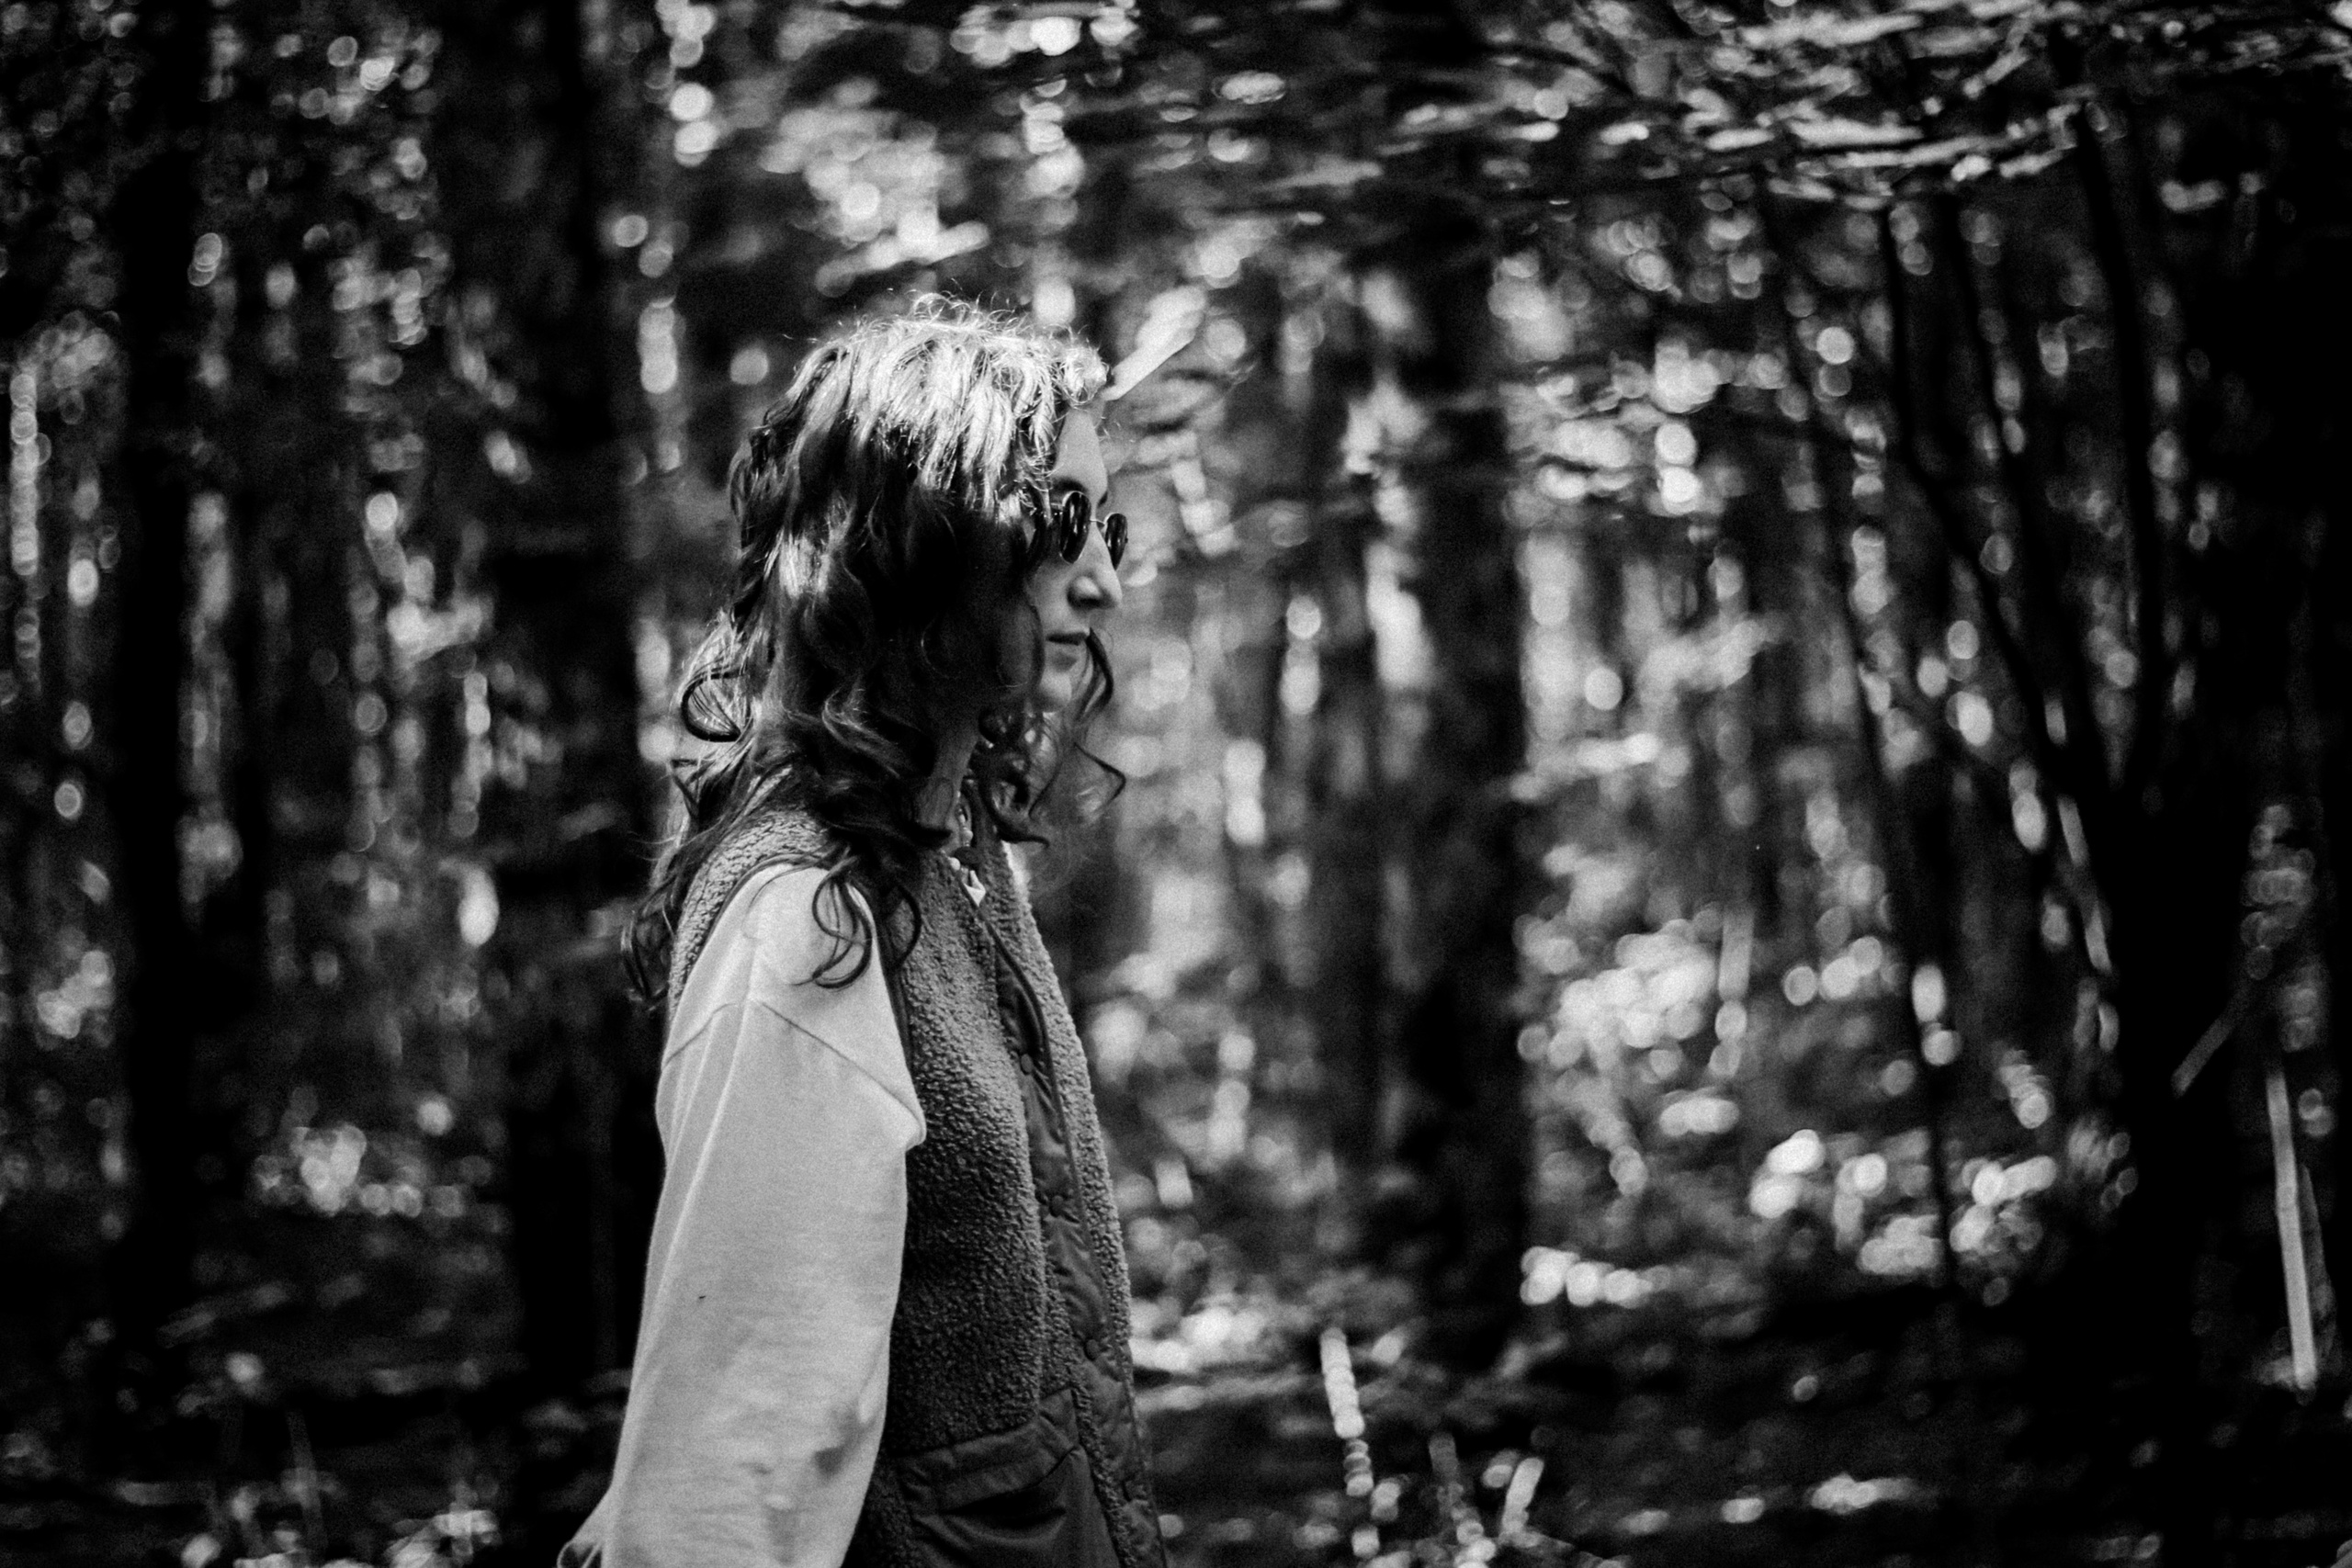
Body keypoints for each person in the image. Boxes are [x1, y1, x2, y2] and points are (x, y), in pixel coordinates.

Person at [566, 301, 1162, 1568]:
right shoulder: (809, 920)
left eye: (1107, 525)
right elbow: (737, 1468)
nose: (1101, 579)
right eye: (1059, 522)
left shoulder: (947, 855)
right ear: (925, 536)